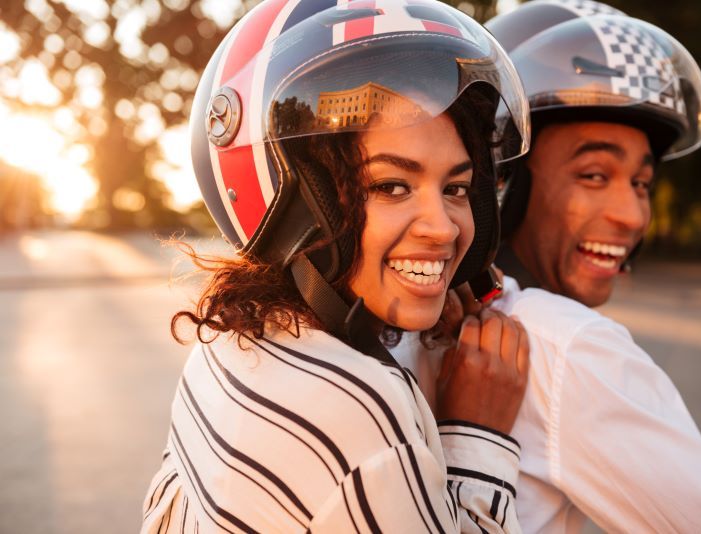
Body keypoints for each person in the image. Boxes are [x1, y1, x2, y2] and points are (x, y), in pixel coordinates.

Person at [395, 1, 701, 532]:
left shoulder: (414, 316)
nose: (631, 215)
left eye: (641, 183)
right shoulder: (568, 345)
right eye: (593, 175)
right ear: (500, 185)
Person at [140, 0, 533, 531]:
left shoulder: (228, 342)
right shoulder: (360, 411)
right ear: (298, 206)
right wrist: (477, 436)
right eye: (391, 186)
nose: (442, 228)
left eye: (457, 188)